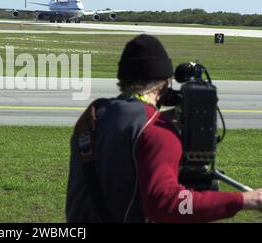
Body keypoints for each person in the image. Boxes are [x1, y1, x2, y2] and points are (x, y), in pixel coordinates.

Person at [66, 34, 262, 223]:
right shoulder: (157, 132)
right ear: (165, 83)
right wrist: (245, 200)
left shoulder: (92, 117)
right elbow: (164, 203)